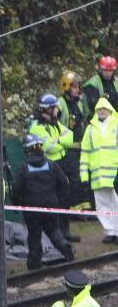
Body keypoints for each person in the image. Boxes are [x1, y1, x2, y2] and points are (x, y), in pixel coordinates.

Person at [12, 134, 75, 270]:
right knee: (53, 230)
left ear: (26, 150)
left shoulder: (23, 168)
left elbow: (16, 188)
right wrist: (61, 203)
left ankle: (34, 264)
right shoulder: (51, 164)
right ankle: (64, 245)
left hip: (32, 209)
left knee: (34, 236)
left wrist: (16, 204)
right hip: (51, 206)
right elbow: (63, 184)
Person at [28, 94, 78, 242]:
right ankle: (57, 234)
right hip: (49, 165)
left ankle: (65, 230)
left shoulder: (55, 123)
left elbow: (70, 136)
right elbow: (49, 147)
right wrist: (60, 142)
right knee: (54, 200)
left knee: (64, 197)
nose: (57, 109)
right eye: (55, 107)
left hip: (62, 162)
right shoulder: (37, 127)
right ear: (49, 109)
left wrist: (59, 140)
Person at [80, 98, 118, 243]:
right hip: (97, 176)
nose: (102, 111)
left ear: (109, 110)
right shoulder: (90, 130)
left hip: (113, 175)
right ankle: (111, 232)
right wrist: (84, 176)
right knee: (102, 204)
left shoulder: (116, 126)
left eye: (104, 108)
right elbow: (85, 153)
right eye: (99, 108)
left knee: (115, 202)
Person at [58, 70, 92, 223]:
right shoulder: (60, 104)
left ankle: (86, 209)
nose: (78, 89)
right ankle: (75, 211)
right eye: (75, 87)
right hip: (68, 149)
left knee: (84, 178)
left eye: (78, 86)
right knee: (74, 180)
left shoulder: (79, 103)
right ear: (66, 88)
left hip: (81, 147)